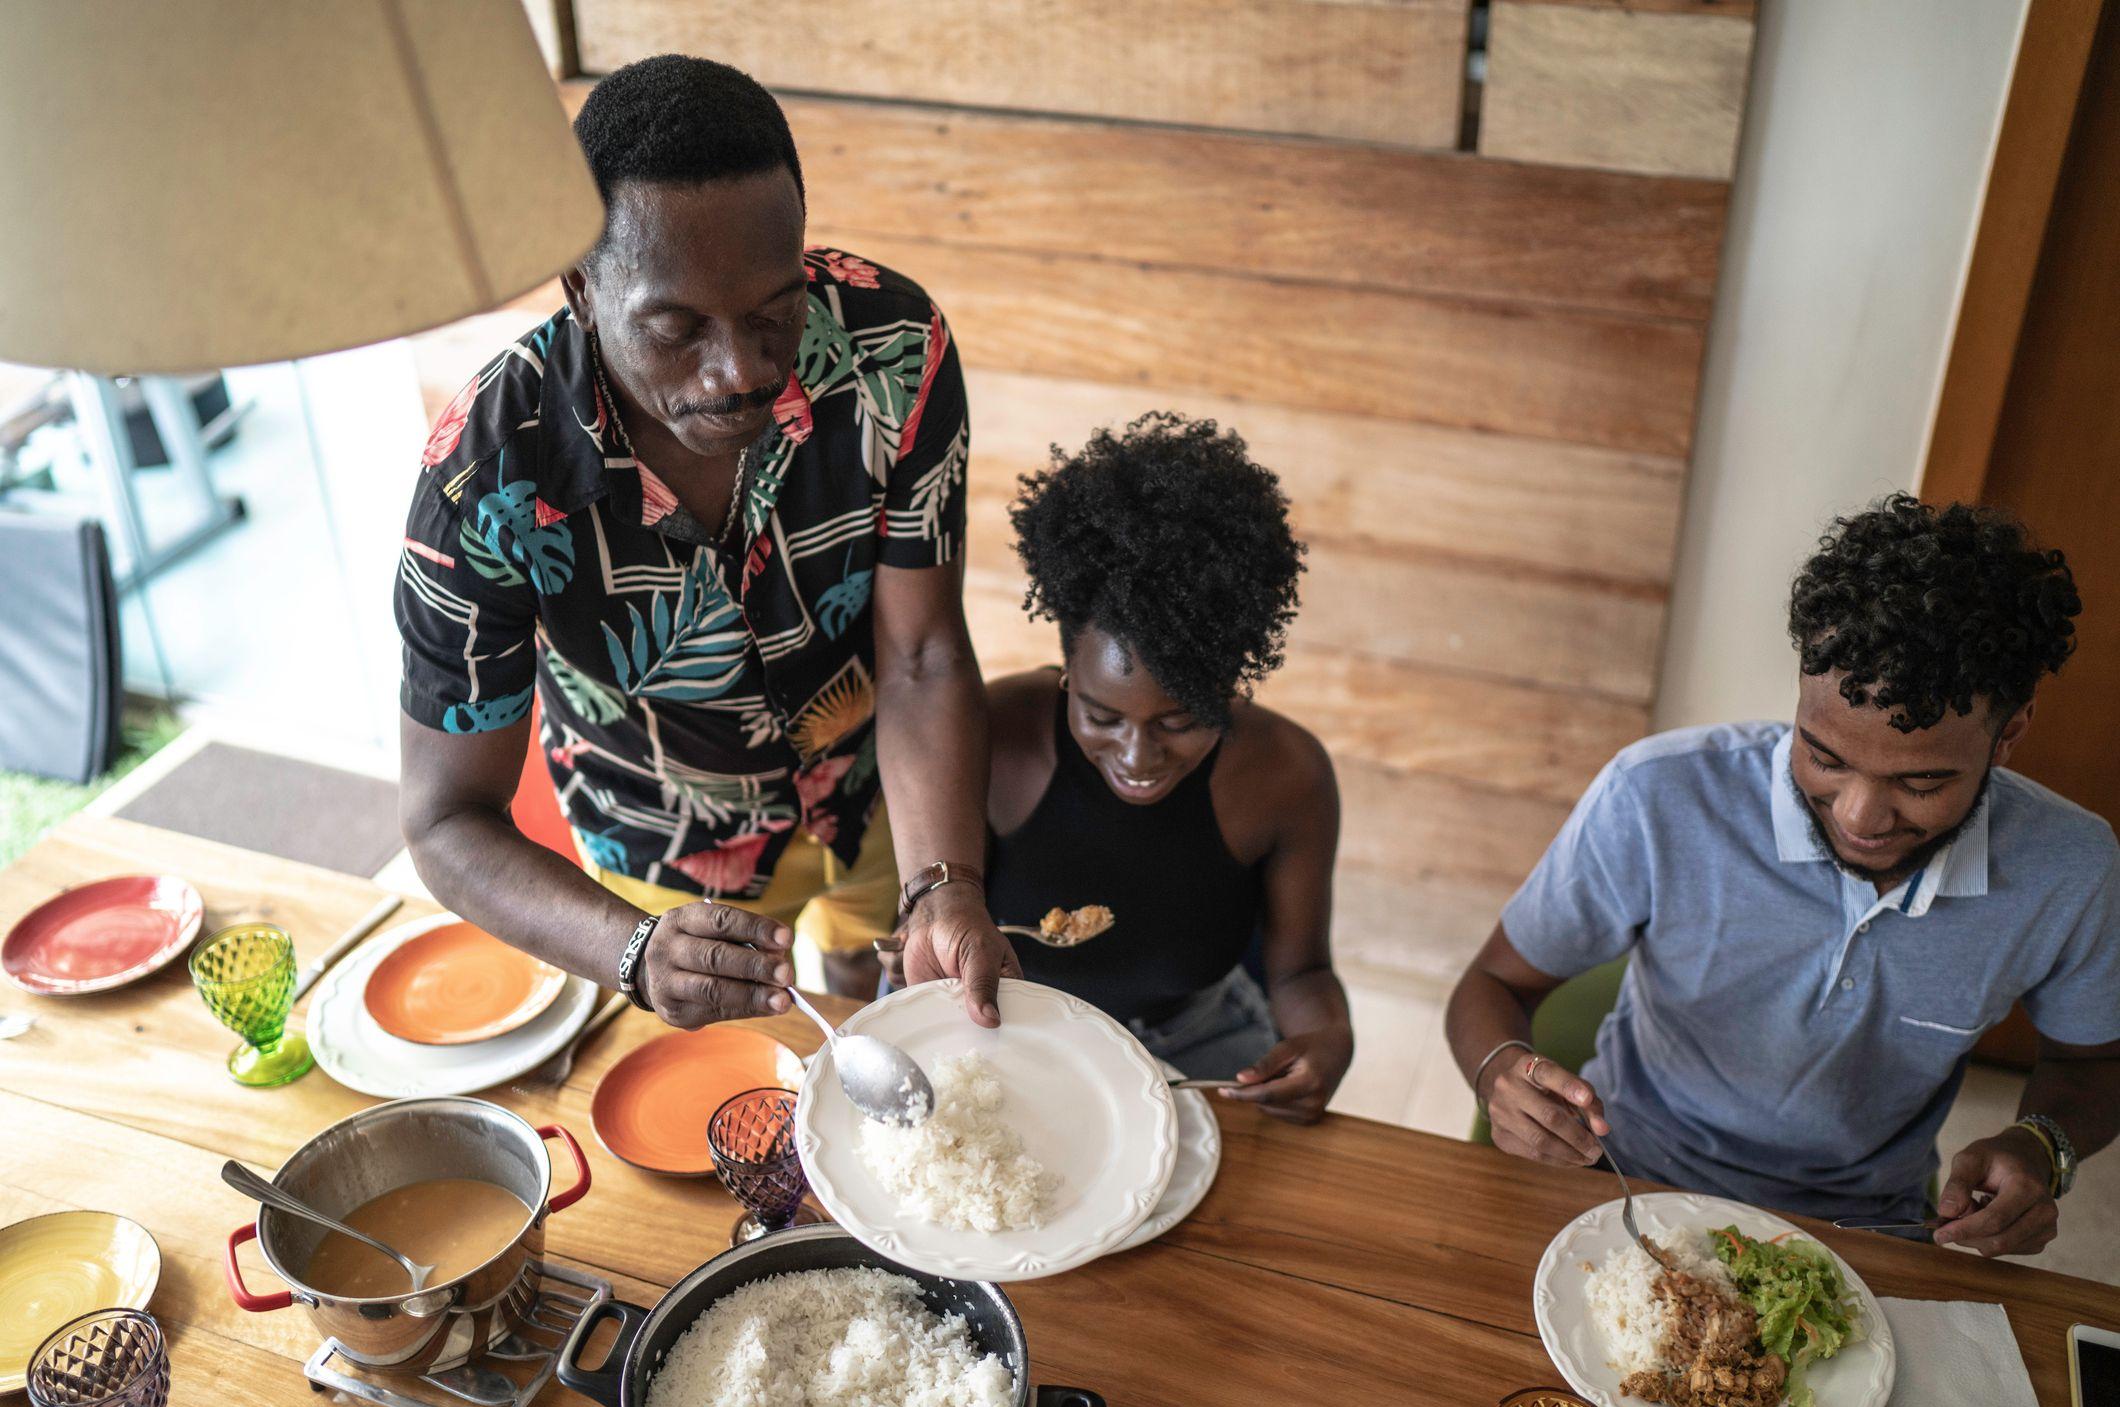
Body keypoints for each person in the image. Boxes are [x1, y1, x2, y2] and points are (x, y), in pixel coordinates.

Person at [395, 56, 1015, 1030]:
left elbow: (924, 653)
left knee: (885, 1036)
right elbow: (444, 823)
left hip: (880, 795)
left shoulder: (894, 350)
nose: (738, 372)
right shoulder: (485, 477)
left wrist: (945, 881)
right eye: (677, 328)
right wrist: (633, 952)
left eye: (774, 312)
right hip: (661, 870)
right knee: (723, 1120)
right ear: (580, 287)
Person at [1446, 495, 2120, 1254]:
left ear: (2010, 733)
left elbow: (2092, 1064)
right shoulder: (1657, 795)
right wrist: (1499, 1071)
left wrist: (2043, 1145)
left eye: (1922, 784)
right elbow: (1490, 986)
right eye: (1824, 757)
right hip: (1624, 1182)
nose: (1861, 817)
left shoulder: (2072, 869)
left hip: (1864, 1227)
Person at [884, 413, 1353, 1122]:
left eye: (1179, 721)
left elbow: (1303, 971)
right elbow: (930, 893)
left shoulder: (1286, 777)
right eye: (1102, 716)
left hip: (1194, 1044)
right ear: (1068, 668)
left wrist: (1325, 1040)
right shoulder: (995, 735)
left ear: (1232, 686)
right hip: (997, 1023)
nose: (1137, 758)